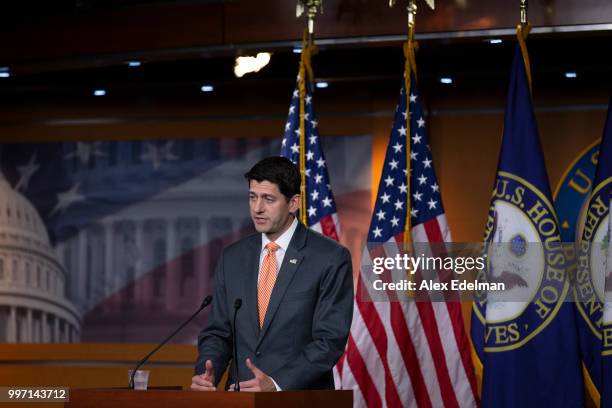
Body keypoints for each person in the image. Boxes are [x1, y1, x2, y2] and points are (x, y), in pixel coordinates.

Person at [191, 156, 353, 391]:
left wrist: (276, 384)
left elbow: (329, 340)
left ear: (293, 203)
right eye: (252, 197)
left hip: (298, 400)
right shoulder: (232, 257)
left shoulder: (330, 258)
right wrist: (208, 373)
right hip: (239, 399)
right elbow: (218, 332)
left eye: (268, 199)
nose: (257, 208)